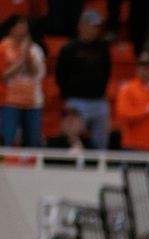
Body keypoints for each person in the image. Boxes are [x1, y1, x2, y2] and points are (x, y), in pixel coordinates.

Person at [56, 10, 111, 149]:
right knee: (74, 140)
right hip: (77, 101)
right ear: (82, 25)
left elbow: (107, 71)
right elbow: (60, 73)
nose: (95, 30)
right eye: (93, 25)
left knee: (101, 142)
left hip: (99, 99)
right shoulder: (70, 48)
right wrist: (68, 92)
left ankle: (99, 166)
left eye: (97, 26)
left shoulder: (102, 48)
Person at [1, 16, 46, 147]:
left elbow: (36, 73)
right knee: (7, 138)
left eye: (25, 28)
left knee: (32, 140)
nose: (22, 31)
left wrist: (26, 54)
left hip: (33, 102)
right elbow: (4, 75)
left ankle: (31, 166)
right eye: (19, 27)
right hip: (9, 101)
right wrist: (22, 60)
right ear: (11, 29)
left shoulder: (35, 49)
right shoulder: (3, 47)